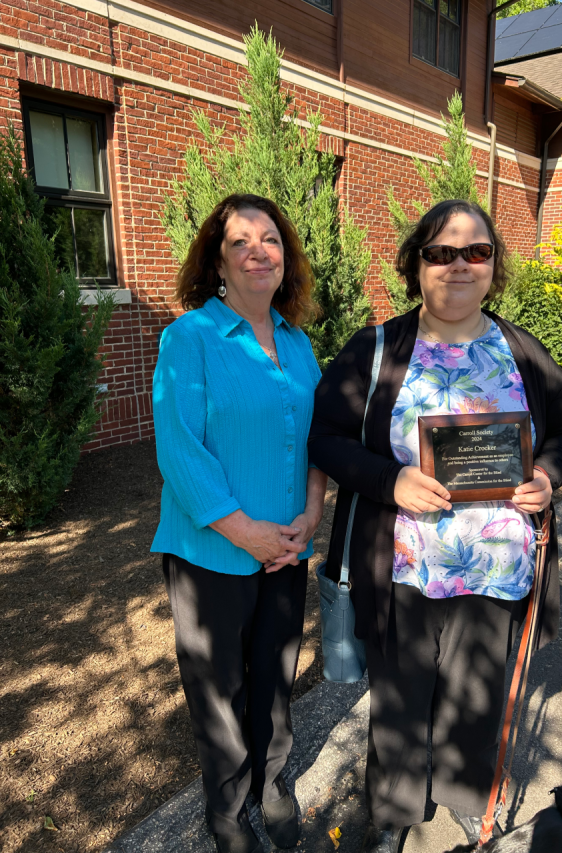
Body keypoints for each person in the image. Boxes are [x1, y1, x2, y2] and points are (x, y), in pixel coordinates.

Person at [308, 200, 562, 853]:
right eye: (441, 251)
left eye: (476, 252)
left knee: (475, 697)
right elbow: (324, 436)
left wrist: (546, 475)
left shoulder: (525, 353)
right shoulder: (376, 350)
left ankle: (463, 796)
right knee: (400, 700)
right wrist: (390, 480)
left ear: (494, 266)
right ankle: (396, 809)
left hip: (497, 572)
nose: (459, 265)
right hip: (403, 568)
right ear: (416, 263)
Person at [151, 193, 327, 853]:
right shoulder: (189, 338)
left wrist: (312, 511)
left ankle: (273, 779)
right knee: (218, 686)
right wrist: (242, 530)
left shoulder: (297, 342)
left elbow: (319, 437)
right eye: (241, 242)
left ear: (285, 259)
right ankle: (226, 810)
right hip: (210, 553)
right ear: (217, 262)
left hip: (286, 547)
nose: (260, 251)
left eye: (271, 240)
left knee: (275, 670)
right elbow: (179, 448)